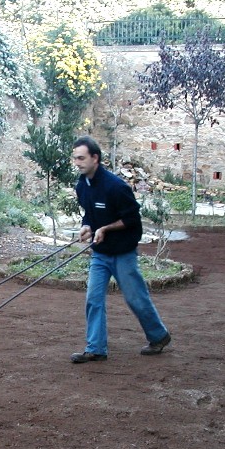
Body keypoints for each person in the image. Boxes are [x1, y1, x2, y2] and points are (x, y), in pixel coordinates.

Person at [70, 135, 171, 363]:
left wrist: (105, 228)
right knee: (93, 299)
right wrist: (87, 226)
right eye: (75, 158)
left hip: (123, 253)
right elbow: (89, 212)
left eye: (81, 158)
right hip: (100, 253)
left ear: (95, 158)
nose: (77, 162)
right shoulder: (82, 185)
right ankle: (95, 348)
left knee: (135, 298)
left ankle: (159, 336)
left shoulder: (116, 187)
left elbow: (132, 219)